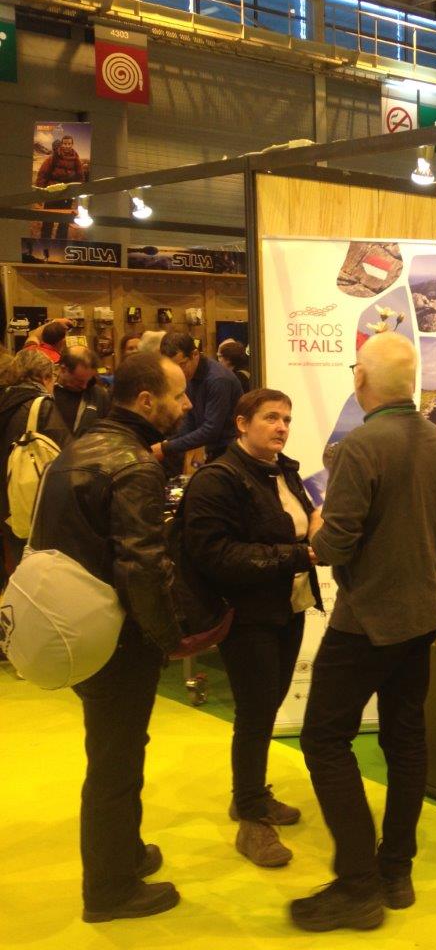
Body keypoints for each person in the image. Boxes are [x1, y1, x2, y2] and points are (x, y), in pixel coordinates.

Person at [292, 332, 436, 932]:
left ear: (361, 379)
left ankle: (357, 884)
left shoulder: (360, 447)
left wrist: (315, 530)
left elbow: (333, 545)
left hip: (366, 619)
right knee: (405, 740)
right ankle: (396, 871)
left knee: (323, 740)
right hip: (421, 615)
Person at [27, 351, 191, 922]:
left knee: (117, 752)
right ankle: (109, 890)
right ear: (146, 401)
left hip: (80, 629)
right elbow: (142, 568)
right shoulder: (135, 466)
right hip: (116, 638)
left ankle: (123, 854)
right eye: (177, 395)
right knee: (114, 763)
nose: (186, 405)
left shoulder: (77, 450)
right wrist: (169, 638)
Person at [182, 388, 321, 868]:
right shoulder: (218, 480)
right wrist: (298, 555)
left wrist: (315, 528)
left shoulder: (284, 471)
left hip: (289, 607)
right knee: (255, 711)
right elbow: (214, 555)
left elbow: (297, 526)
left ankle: (251, 795)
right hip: (246, 615)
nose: (282, 427)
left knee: (265, 708)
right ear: (242, 423)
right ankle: (251, 818)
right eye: (270, 418)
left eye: (287, 419)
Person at [0, 348, 67, 578]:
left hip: (7, 500)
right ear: (45, 377)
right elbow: (63, 454)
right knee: (40, 568)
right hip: (34, 498)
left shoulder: (5, 399)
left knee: (17, 563)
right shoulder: (41, 405)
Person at [157, 332, 242, 464]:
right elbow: (189, 422)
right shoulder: (191, 374)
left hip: (231, 454)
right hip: (215, 451)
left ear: (195, 354)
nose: (178, 371)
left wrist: (166, 448)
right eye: (173, 367)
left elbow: (211, 431)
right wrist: (166, 443)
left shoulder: (218, 380)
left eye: (182, 364)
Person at [54, 346, 112, 437]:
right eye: (79, 381)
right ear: (63, 369)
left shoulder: (99, 396)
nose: (84, 386)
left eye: (88, 381)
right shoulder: (46, 393)